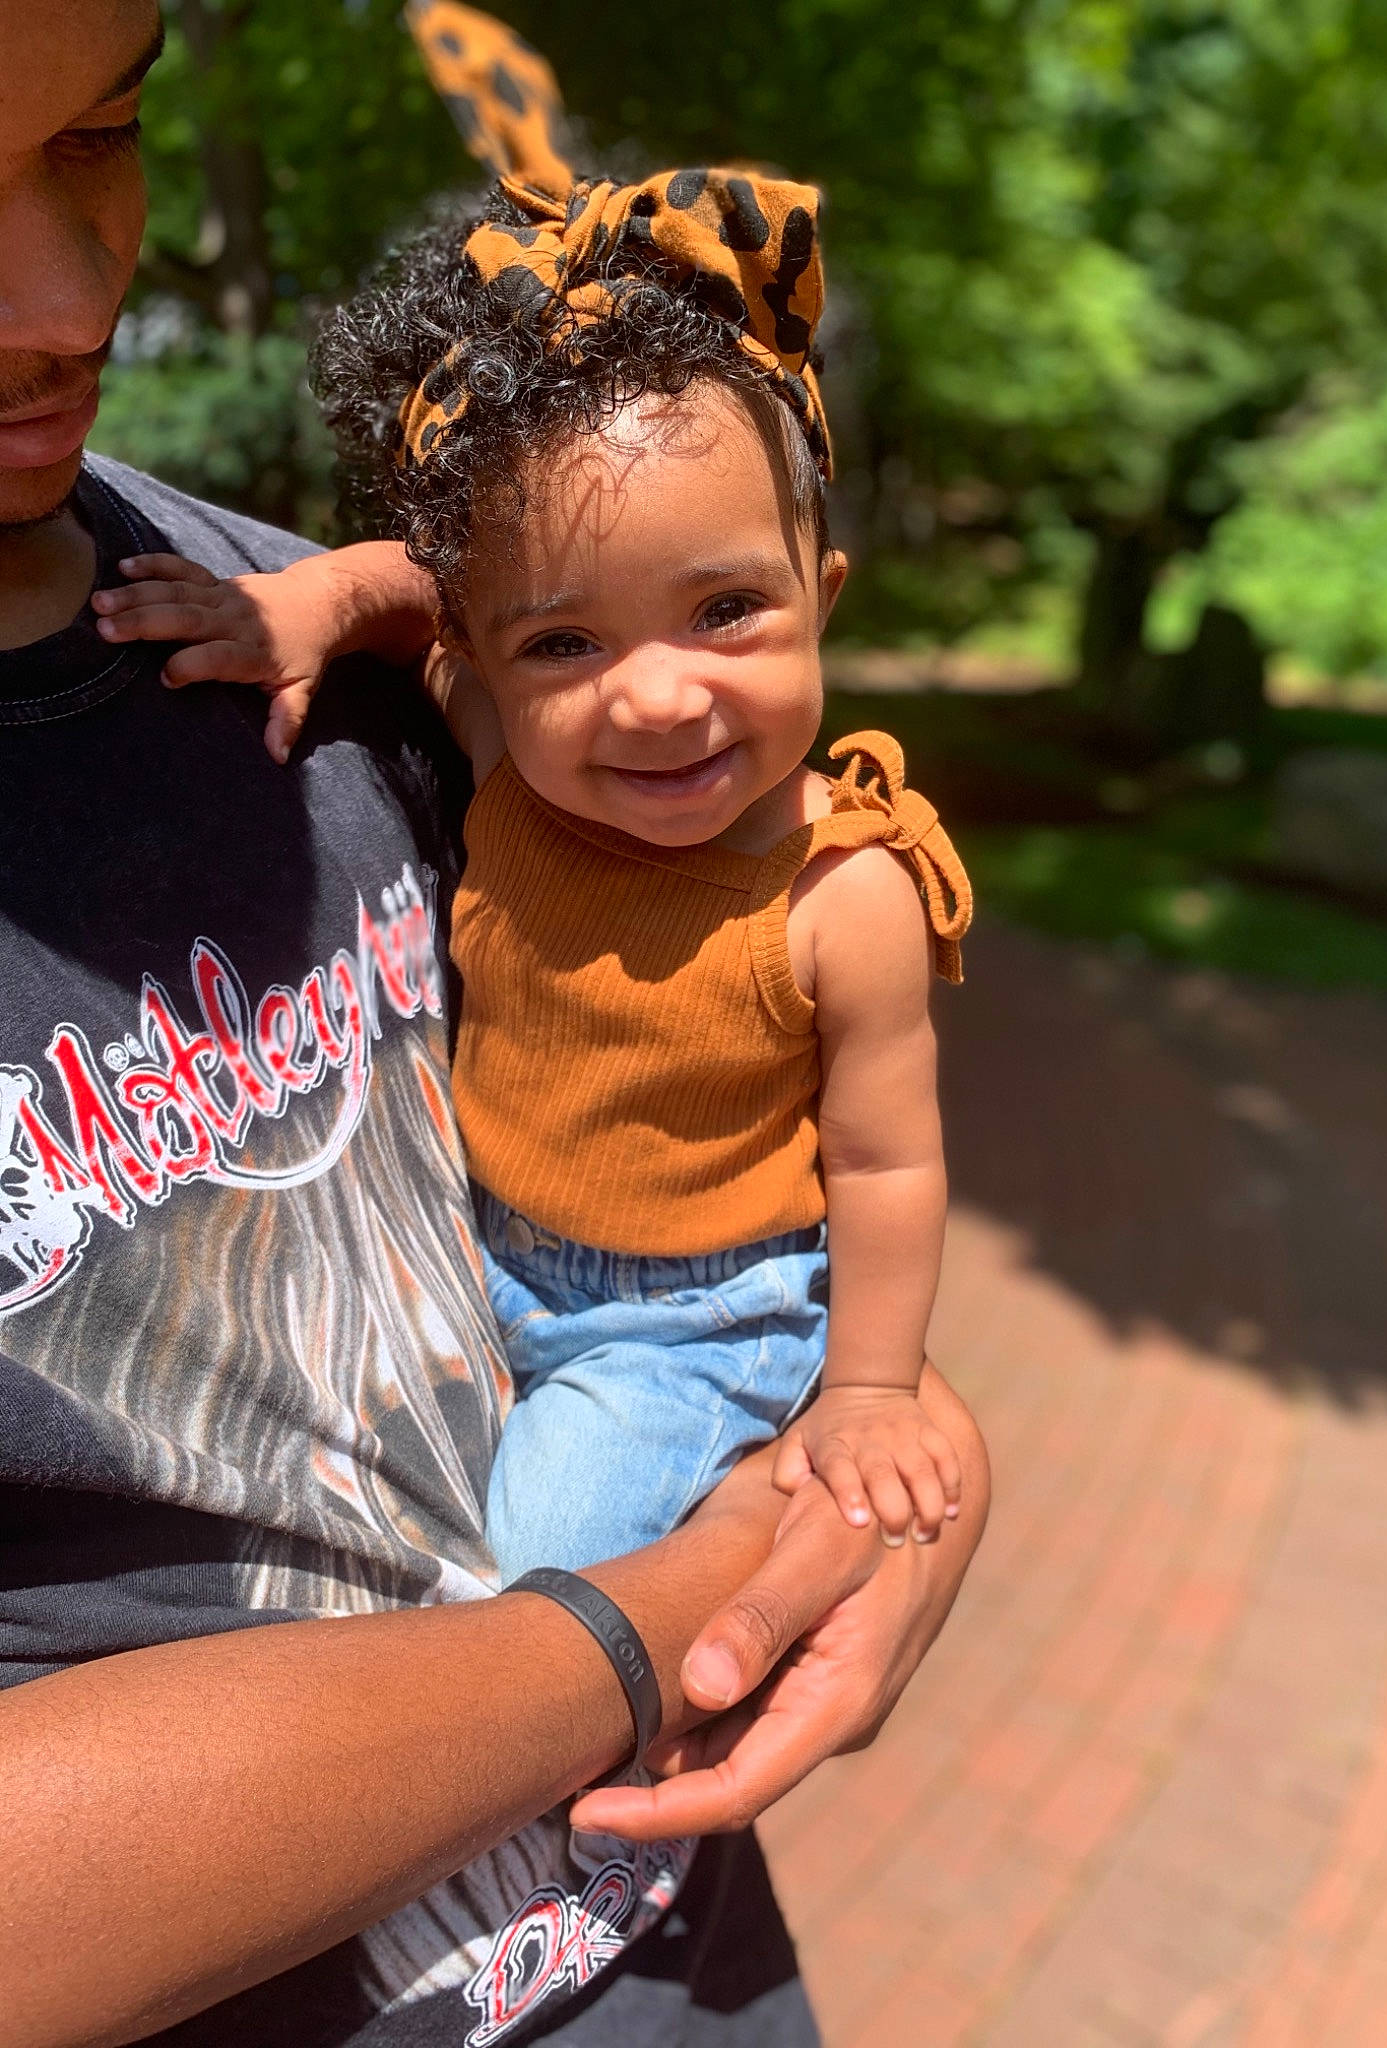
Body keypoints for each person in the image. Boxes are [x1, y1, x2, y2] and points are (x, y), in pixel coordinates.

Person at [0, 7, 990, 2047]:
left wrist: (891, 1423)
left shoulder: (291, 636)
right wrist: (662, 1617)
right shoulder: (456, 654)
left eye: (100, 136)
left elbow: (835, 1143)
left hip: (670, 1954)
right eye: (572, 646)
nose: (63, 293)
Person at [106, 5, 976, 1593]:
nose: (652, 696)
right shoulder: (519, 756)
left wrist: (869, 1389)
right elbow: (414, 600)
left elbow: (887, 1163)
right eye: (567, 640)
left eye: (725, 612)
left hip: (689, 1324)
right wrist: (306, 608)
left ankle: (575, 1832)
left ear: (824, 595)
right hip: (474, 1252)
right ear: (492, 662)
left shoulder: (840, 897)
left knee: (515, 1578)